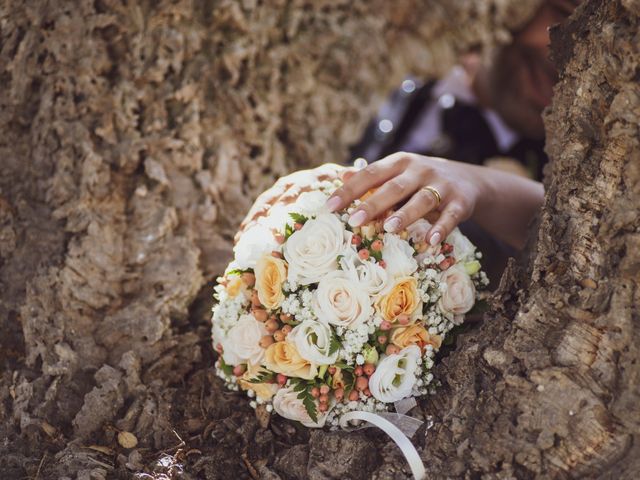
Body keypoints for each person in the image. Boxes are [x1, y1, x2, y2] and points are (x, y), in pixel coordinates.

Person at [334, 0, 580, 284]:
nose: (564, 59)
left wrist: (481, 185)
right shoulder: (384, 55)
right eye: (563, 13)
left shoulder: (561, 183)